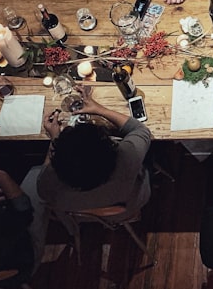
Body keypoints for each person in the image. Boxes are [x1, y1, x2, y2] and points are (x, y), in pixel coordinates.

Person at [35, 88, 152, 237]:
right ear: (109, 147)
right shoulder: (126, 157)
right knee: (150, 158)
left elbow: (45, 176)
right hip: (130, 205)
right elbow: (140, 130)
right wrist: (100, 110)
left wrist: (55, 139)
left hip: (83, 214)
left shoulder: (47, 183)